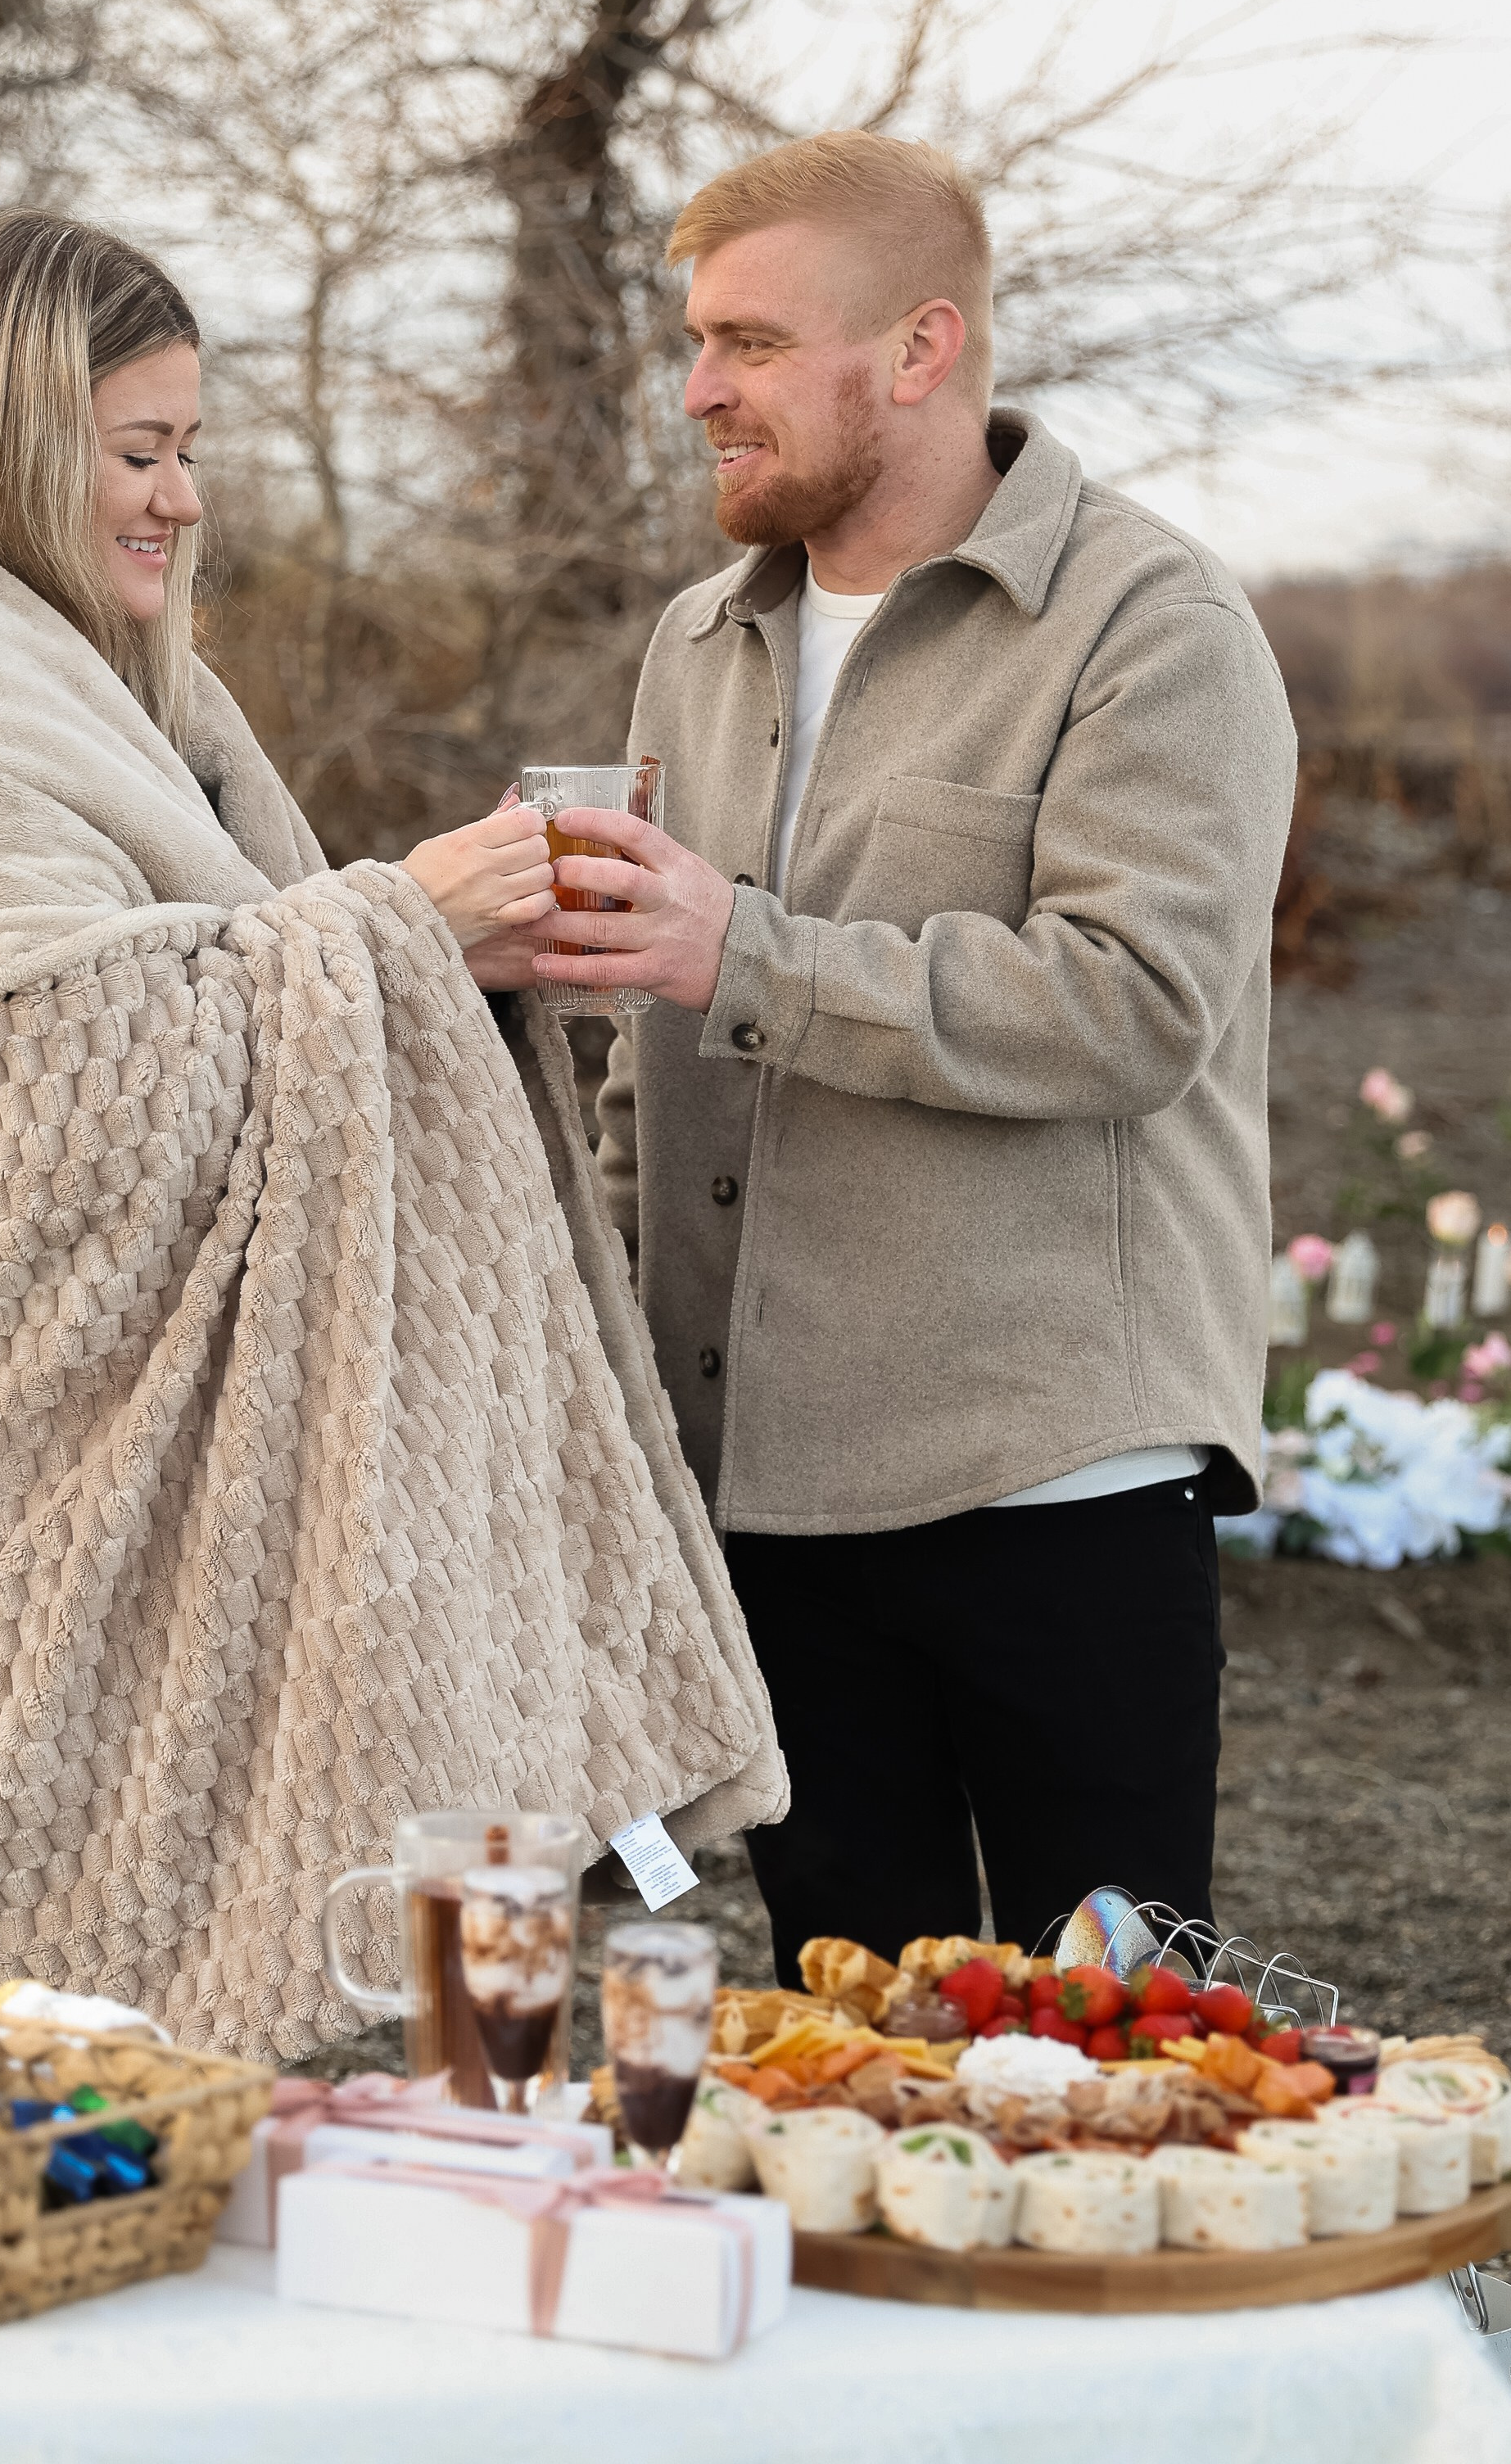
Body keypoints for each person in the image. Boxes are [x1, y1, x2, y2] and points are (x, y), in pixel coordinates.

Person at [0, 211, 781, 2057]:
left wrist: (454, 956)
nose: (181, 500)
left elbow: (237, 973)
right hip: (31, 1460)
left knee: (415, 1949)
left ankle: (435, 2169)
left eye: (190, 452)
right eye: (138, 453)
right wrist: (402, 928)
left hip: (230, 1409)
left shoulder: (121, 676)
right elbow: (33, 1108)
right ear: (13, 444)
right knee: (92, 2020)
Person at [511, 132, 1297, 1983]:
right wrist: (604, 1373)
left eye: (752, 343)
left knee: (1116, 2050)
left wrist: (743, 950)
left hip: (1057, 1493)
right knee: (846, 2050)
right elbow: (653, 1067)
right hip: (763, 1502)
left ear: (922, 348)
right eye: (696, 343)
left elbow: (1133, 1002)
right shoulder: (700, 640)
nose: (699, 391)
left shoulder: (1153, 627)